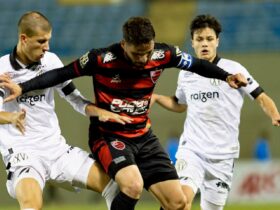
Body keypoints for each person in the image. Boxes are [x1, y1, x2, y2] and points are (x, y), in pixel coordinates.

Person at [0, 16, 249, 210]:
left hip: (142, 136)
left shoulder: (165, 54)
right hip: (108, 136)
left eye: (147, 51)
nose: (143, 58)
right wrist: (22, 88)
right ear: (123, 44)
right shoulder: (101, 58)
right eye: (136, 53)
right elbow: (62, 74)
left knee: (179, 202)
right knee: (132, 185)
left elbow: (198, 65)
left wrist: (226, 76)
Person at [0, 11, 135, 210]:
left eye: (48, 40)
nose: (46, 47)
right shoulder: (2, 69)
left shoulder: (51, 61)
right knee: (31, 204)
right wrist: (11, 117)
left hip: (56, 148)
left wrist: (98, 111)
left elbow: (74, 98)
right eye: (41, 41)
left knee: (117, 186)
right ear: (23, 38)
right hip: (23, 151)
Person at [151, 14, 280, 210]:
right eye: (199, 39)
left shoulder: (234, 70)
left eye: (209, 39)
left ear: (217, 41)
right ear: (192, 42)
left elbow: (261, 96)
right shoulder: (186, 74)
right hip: (192, 150)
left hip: (223, 156)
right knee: (180, 202)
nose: (205, 44)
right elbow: (179, 104)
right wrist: (157, 98)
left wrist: (275, 114)